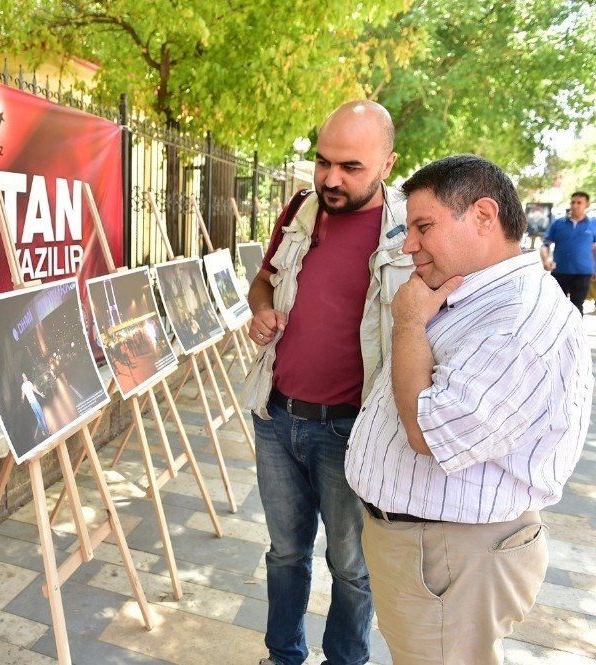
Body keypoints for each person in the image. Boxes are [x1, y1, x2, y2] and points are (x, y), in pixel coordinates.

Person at [345, 155, 592, 664]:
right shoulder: (475, 295)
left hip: (452, 556)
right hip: (435, 552)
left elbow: (428, 432)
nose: (409, 243)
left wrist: (409, 325)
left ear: (483, 215)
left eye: (423, 226)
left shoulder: (517, 320)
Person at [244, 100, 412, 665]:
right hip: (276, 418)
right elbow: (261, 283)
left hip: (352, 430)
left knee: (352, 567)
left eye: (350, 167)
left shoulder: (410, 230)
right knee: (285, 554)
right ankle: (282, 655)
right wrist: (261, 310)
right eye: (323, 162)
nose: (330, 178)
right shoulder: (300, 209)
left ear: (387, 163)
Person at [539, 191, 595, 312]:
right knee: (557, 307)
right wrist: (546, 259)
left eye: (579, 202)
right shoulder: (558, 223)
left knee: (577, 306)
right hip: (560, 271)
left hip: (583, 272)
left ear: (587, 204)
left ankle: (576, 331)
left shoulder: (593, 224)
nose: (575, 205)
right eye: (573, 202)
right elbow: (545, 245)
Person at [20, 372, 50, 438]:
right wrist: (40, 394)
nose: (25, 377)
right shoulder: (28, 383)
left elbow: (23, 397)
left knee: (38, 417)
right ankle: (47, 431)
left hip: (31, 404)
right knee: (41, 416)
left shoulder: (23, 386)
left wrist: (22, 400)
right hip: (34, 402)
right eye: (24, 376)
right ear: (23, 378)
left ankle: (42, 430)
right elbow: (34, 390)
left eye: (25, 375)